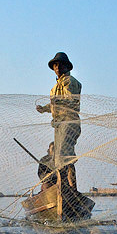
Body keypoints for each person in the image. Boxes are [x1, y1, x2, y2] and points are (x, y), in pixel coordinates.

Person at [36, 52, 81, 191]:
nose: (57, 67)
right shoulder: (54, 88)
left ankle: (70, 189)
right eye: (55, 65)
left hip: (69, 121)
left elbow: (70, 99)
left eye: (60, 64)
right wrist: (44, 109)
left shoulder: (70, 81)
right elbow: (55, 105)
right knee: (60, 157)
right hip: (59, 125)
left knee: (65, 156)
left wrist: (56, 101)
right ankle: (63, 188)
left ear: (66, 66)